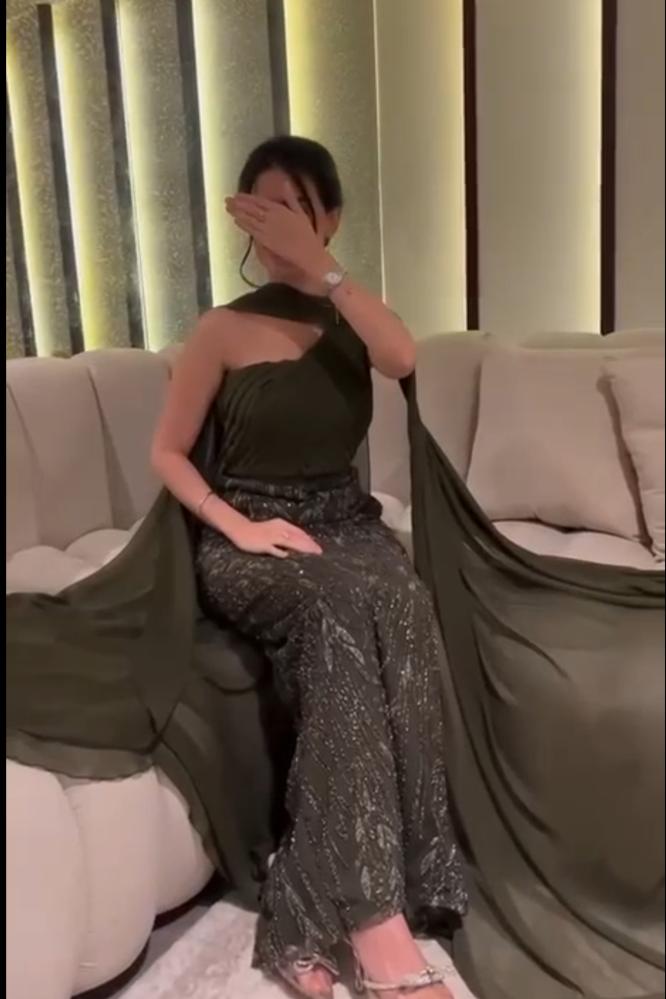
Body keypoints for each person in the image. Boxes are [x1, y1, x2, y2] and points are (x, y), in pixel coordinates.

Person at [151, 136, 467, 999]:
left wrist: (325, 271)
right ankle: (373, 922)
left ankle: (342, 893)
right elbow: (169, 451)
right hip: (246, 531)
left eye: (296, 207)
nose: (279, 226)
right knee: (333, 606)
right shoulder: (221, 328)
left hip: (345, 522)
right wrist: (239, 527)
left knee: (401, 599)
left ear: (329, 217)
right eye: (264, 209)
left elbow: (403, 358)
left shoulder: (350, 312)